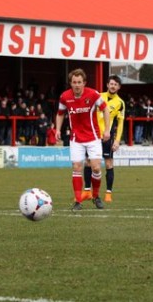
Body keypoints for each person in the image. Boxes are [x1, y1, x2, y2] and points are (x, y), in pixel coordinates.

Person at [55, 68, 110, 211]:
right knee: (77, 168)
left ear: (84, 83)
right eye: (74, 82)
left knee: (96, 167)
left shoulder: (93, 94)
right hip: (76, 138)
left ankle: (96, 196)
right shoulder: (65, 96)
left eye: (79, 82)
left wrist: (107, 130)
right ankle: (78, 201)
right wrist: (58, 129)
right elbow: (60, 114)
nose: (77, 85)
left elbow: (105, 109)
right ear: (70, 83)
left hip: (93, 137)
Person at [82, 75, 125, 203]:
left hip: (107, 137)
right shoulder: (98, 96)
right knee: (88, 162)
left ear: (118, 87)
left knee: (108, 164)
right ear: (107, 85)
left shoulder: (120, 103)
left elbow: (121, 123)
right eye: (111, 83)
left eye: (115, 84)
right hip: (93, 136)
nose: (113, 86)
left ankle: (108, 193)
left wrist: (117, 140)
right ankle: (87, 191)